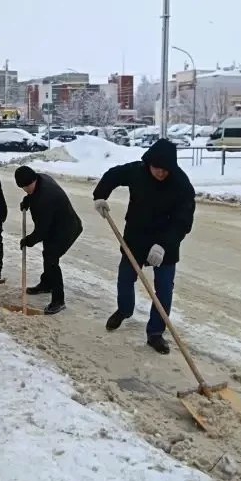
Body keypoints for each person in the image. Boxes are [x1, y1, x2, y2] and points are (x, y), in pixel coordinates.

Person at [92, 138, 195, 354]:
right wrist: (100, 196)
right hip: (136, 236)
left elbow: (183, 221)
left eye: (165, 170)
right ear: (149, 164)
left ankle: (155, 333)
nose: (160, 173)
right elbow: (113, 175)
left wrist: (164, 245)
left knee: (164, 290)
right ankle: (124, 310)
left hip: (165, 242)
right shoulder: (138, 171)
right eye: (156, 168)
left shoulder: (182, 185)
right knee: (125, 278)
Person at [14, 166, 83, 316]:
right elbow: (34, 195)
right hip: (55, 225)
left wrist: (28, 241)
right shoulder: (40, 178)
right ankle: (46, 284)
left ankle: (59, 300)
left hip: (67, 229)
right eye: (23, 188)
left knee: (51, 258)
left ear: (33, 180)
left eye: (27, 187)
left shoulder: (46, 197)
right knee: (48, 253)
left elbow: (41, 231)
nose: (26, 190)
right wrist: (28, 200)